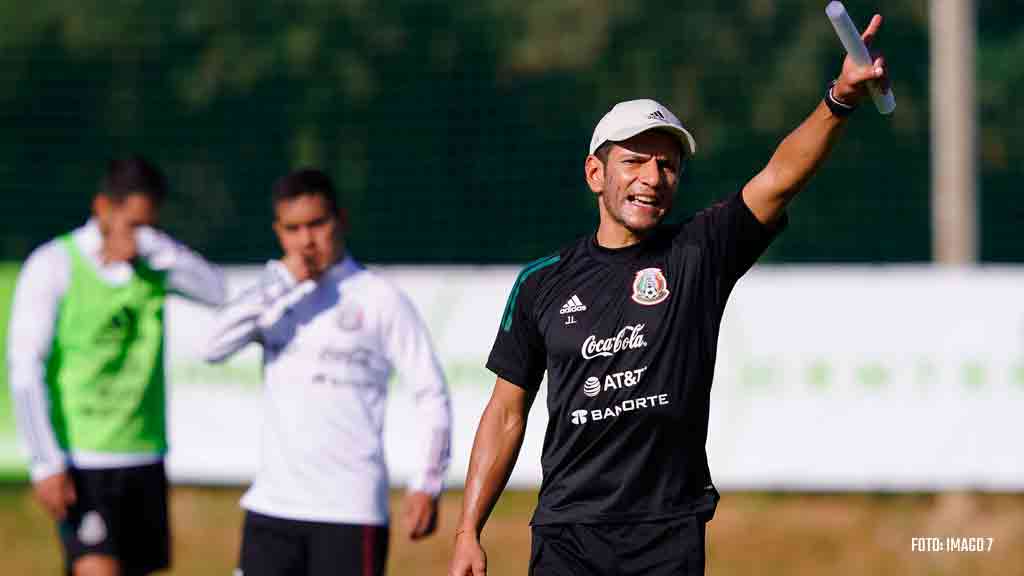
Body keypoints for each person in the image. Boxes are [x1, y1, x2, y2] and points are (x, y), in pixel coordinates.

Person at [449, 14, 893, 576]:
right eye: (634, 160)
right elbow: (506, 414)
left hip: (667, 534)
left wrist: (839, 100)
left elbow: (780, 177)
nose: (653, 177)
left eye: (668, 164)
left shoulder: (699, 252)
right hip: (567, 535)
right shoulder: (541, 282)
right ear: (595, 173)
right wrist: (468, 531)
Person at [204, 168, 452, 576]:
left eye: (317, 223)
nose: (306, 239)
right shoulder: (273, 295)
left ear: (341, 220)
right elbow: (211, 347)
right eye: (293, 228)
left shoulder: (379, 299)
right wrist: (281, 280)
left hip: (350, 512)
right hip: (272, 508)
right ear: (278, 231)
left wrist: (427, 481)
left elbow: (431, 393)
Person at [7, 156, 227, 575]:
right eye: (131, 223)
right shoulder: (54, 264)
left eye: (148, 224)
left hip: (144, 455)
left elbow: (217, 292)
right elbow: (24, 368)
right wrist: (45, 460)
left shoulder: (154, 264)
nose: (137, 235)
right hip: (83, 461)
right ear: (103, 208)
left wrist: (152, 248)